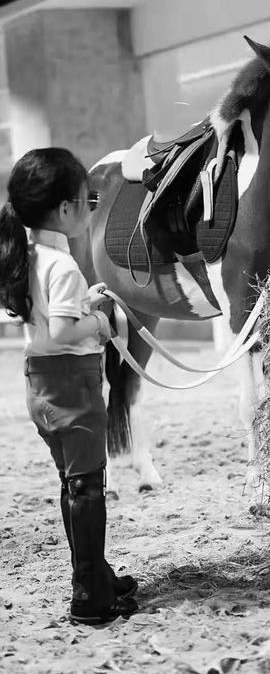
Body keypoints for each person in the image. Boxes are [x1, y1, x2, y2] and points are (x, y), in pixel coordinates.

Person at [0, 147, 138, 625]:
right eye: (87, 201)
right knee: (89, 489)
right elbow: (63, 330)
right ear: (65, 210)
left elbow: (49, 318)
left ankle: (95, 573)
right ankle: (90, 597)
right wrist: (99, 323)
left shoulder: (30, 255)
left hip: (40, 384)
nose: (89, 210)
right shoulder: (62, 266)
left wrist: (85, 301)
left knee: (73, 484)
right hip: (72, 387)